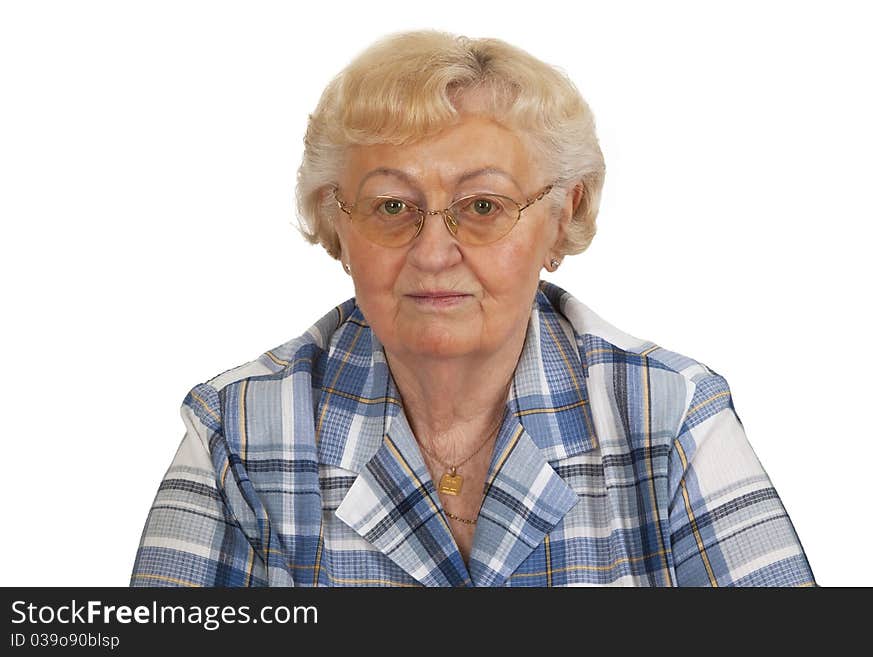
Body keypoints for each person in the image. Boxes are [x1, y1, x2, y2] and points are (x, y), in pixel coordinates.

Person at [130, 29, 816, 587]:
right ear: (336, 223)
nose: (433, 252)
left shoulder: (670, 415)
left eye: (482, 207)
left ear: (560, 215)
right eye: (392, 206)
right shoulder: (240, 434)